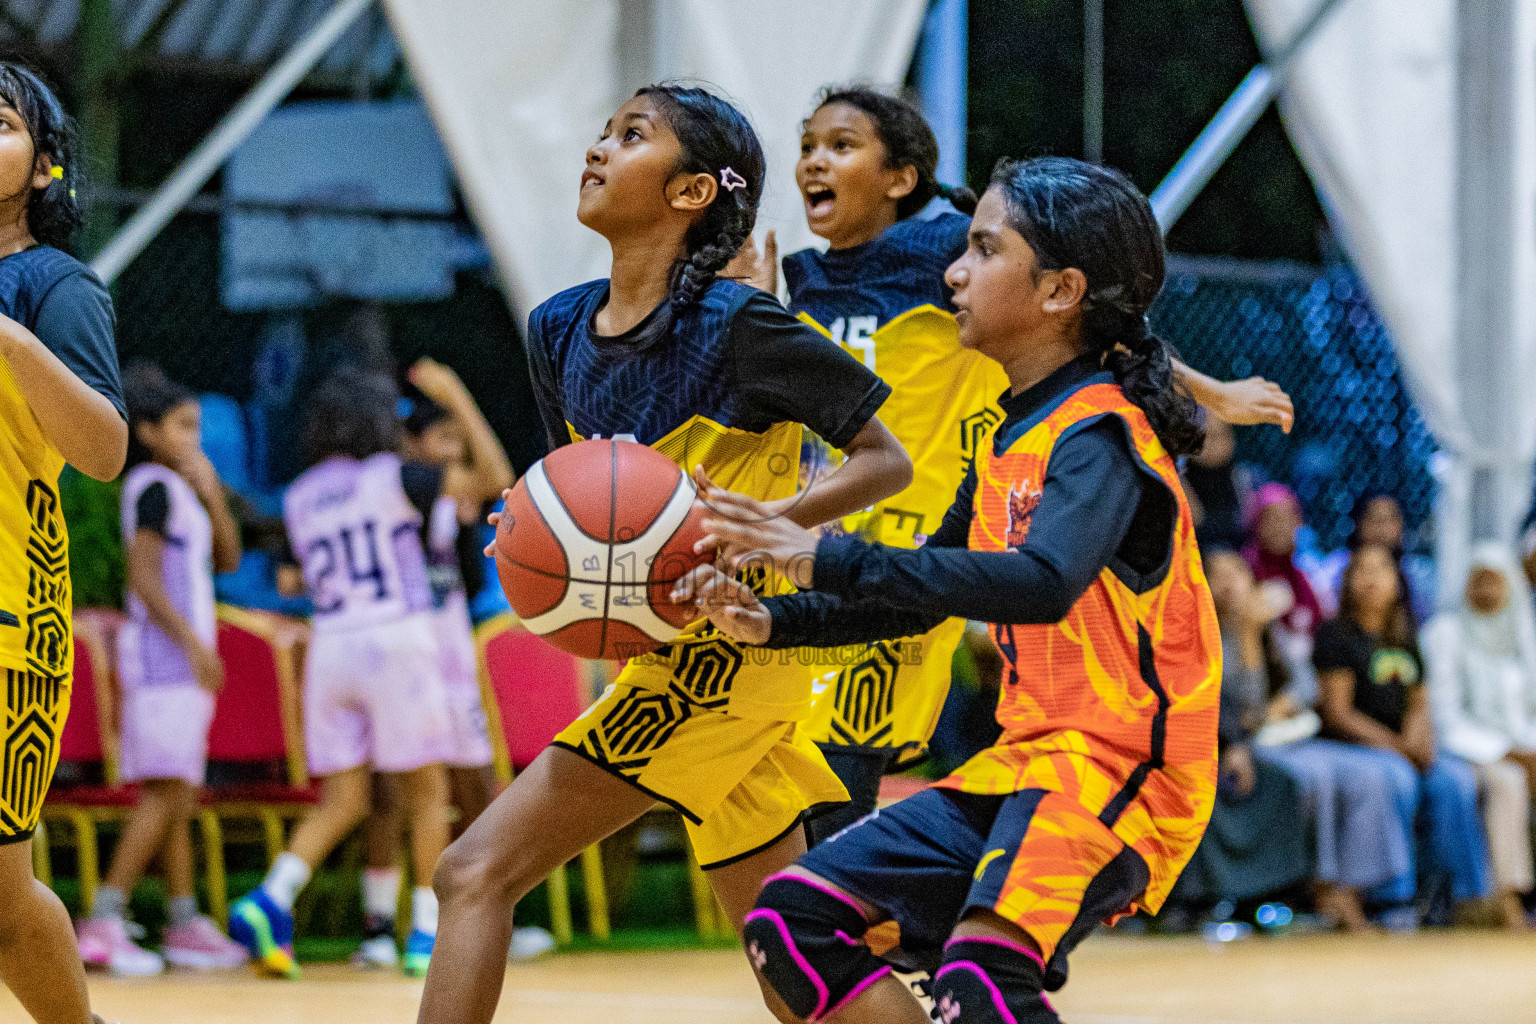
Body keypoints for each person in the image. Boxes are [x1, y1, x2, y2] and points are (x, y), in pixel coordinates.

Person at [677, 156, 1221, 1024]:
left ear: (1059, 291)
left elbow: (1041, 585)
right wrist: (771, 619)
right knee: (792, 920)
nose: (954, 272)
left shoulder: (1103, 436)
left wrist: (828, 556)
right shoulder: (1007, 436)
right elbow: (916, 597)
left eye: (983, 250)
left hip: (1121, 770)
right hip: (1027, 763)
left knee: (983, 975)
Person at [414, 85, 912, 1024]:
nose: (600, 148)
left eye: (631, 136)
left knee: (471, 872)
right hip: (670, 654)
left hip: (733, 658)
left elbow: (888, 460)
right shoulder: (558, 327)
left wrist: (777, 518)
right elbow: (583, 491)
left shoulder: (742, 329)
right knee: (790, 957)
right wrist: (530, 527)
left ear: (690, 195)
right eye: (604, 132)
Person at [729, 85, 1292, 844]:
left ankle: (857, 922)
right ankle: (849, 929)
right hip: (820, 540)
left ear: (901, 178)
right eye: (806, 147)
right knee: (773, 804)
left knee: (830, 797)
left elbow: (1104, 323)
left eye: (840, 145)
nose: (813, 163)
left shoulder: (943, 257)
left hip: (912, 552)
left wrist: (1213, 391)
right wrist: (756, 322)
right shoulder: (797, 278)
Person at [229, 368, 458, 979]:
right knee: (428, 792)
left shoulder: (300, 494)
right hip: (395, 636)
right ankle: (427, 932)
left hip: (332, 646)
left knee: (346, 798)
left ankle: (271, 896)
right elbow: (480, 487)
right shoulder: (396, 476)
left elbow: (287, 580)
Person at [0, 62, 126, 1024]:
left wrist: (13, 342)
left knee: (3, 902)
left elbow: (104, 448)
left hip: (9, 621)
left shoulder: (51, 284)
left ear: (44, 168)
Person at [353, 358, 552, 966]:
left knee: (471, 787)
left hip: (443, 657)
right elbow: (496, 479)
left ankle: (480, 911)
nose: (455, 454)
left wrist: (458, 409)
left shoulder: (432, 496)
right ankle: (388, 926)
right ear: (410, 445)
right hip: (407, 653)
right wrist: (456, 394)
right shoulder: (401, 486)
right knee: (391, 794)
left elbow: (497, 485)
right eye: (444, 441)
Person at [75, 364, 246, 975]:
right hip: (162, 663)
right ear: (147, 431)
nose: (194, 437)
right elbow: (142, 577)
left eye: (198, 425)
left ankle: (180, 922)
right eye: (181, 426)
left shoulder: (183, 493)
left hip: (181, 667)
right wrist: (193, 646)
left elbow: (227, 557)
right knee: (166, 791)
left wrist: (211, 488)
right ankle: (102, 918)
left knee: (177, 791)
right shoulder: (150, 486)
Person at [1312, 544, 1493, 927]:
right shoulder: (1335, 635)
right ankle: (1390, 896)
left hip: (1399, 746)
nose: (1372, 578)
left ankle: (1462, 896)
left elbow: (1418, 703)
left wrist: (1419, 742)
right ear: (1348, 583)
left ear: (1398, 583)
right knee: (1397, 778)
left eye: (1382, 569)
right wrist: (1397, 749)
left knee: (1454, 780)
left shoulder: (1406, 636)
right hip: (1350, 746)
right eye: (1362, 570)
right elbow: (1338, 713)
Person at [1166, 550, 1309, 923]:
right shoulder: (1192, 630)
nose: (1229, 583)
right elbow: (1212, 700)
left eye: (1237, 573)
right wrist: (1232, 746)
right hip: (1199, 740)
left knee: (1282, 783)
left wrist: (1250, 634)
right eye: (1218, 575)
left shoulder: (1263, 628)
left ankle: (1267, 896)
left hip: (1244, 742)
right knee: (1210, 783)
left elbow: (1296, 688)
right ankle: (1206, 898)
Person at [1424, 544, 1536, 930]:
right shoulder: (1445, 633)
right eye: (1479, 580)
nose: (1487, 591)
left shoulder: (1520, 632)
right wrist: (1507, 752)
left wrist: (1526, 747)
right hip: (1460, 748)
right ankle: (1507, 899)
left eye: (1495, 581)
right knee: (1509, 783)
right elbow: (1445, 715)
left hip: (1518, 744)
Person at [1311, 492, 1434, 623]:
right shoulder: (1336, 569)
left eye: (1389, 519)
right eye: (1374, 518)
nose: (1382, 528)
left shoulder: (1417, 575)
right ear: (1359, 523)